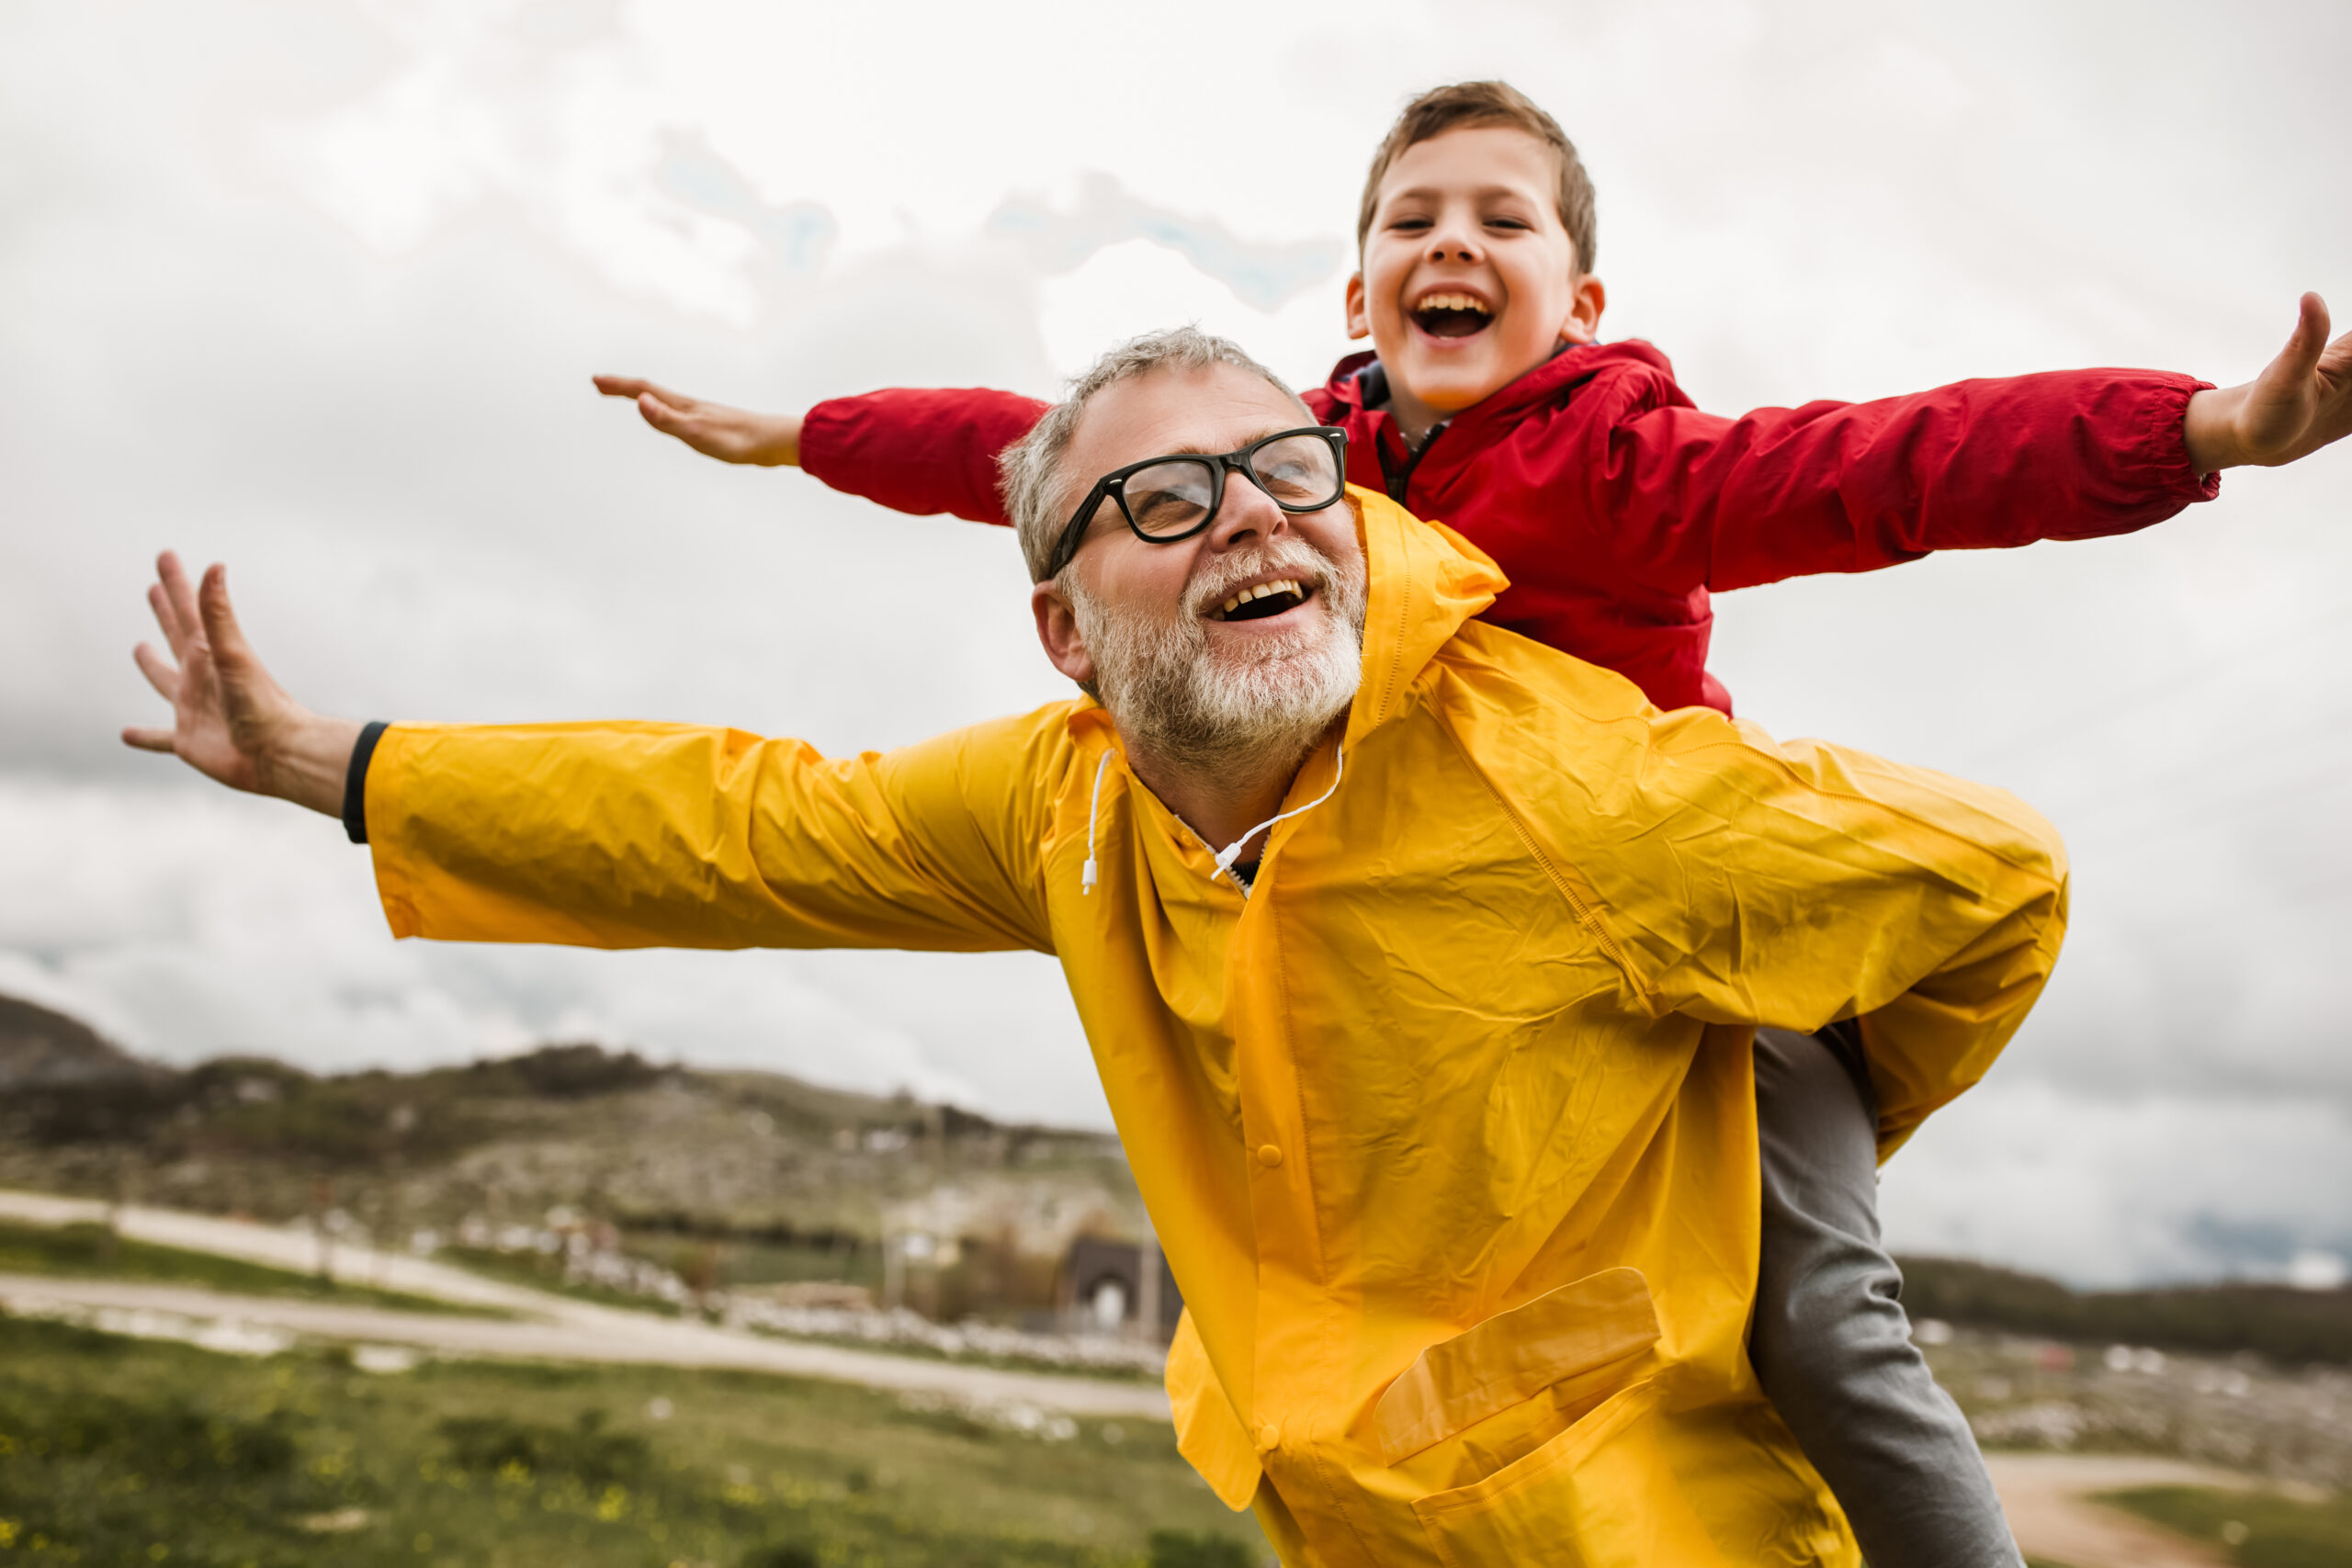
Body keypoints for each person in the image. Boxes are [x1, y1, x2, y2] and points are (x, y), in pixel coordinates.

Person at [593, 83, 2352, 1565]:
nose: (1454, 243)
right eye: (1415, 217)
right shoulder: (1306, 462)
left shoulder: (1627, 470)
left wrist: (2195, 429)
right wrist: (801, 435)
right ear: (1356, 290)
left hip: (1688, 948)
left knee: (1826, 1321)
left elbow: (1886, 465)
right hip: (1456, 966)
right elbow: (1029, 448)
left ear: (1580, 304)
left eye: (1505, 223)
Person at [128, 326, 2071, 1566]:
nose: (1253, 515)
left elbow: (1990, 885)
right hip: (1348, 1517)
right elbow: (740, 818)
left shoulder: (1575, 794)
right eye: (1163, 498)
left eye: (1286, 470)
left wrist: (1745, 1132)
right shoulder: (1058, 800)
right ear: (1066, 633)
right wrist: (336, 762)